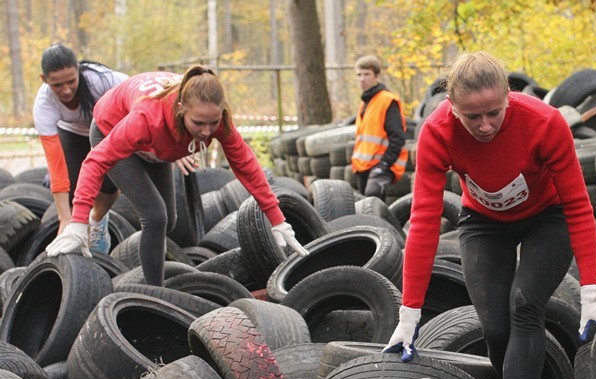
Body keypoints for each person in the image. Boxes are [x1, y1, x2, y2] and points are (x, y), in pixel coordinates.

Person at [382, 52, 596, 379]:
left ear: (509, 99)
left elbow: (577, 204)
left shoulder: (544, 121)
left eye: (494, 113)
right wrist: (409, 312)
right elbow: (423, 221)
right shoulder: (437, 132)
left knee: (525, 304)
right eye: (472, 116)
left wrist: (592, 291)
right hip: (484, 222)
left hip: (547, 218)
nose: (484, 126)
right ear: (452, 106)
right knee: (495, 327)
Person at [45, 65, 308, 285]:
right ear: (181, 109)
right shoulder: (148, 119)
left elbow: (246, 165)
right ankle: (153, 293)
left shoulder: (217, 120)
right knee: (155, 216)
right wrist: (76, 219)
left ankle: (98, 224)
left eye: (212, 123)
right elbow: (94, 162)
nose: (206, 132)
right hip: (110, 128)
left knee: (168, 220)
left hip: (158, 145)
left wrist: (276, 217)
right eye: (199, 123)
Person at [33, 43, 128, 253]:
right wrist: (64, 219)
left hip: (107, 131)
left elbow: (142, 98)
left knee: (110, 182)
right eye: (57, 85)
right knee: (74, 189)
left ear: (78, 70)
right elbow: (57, 168)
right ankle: (77, 227)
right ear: (44, 80)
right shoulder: (43, 104)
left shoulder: (103, 80)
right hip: (72, 132)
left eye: (71, 81)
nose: (66, 90)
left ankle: (96, 222)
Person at [350, 55, 409, 201]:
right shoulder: (365, 103)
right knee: (364, 205)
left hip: (382, 163)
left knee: (373, 198)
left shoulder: (387, 100)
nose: (362, 79)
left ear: (377, 75)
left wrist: (384, 164)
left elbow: (398, 137)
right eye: (359, 75)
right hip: (363, 166)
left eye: (367, 74)